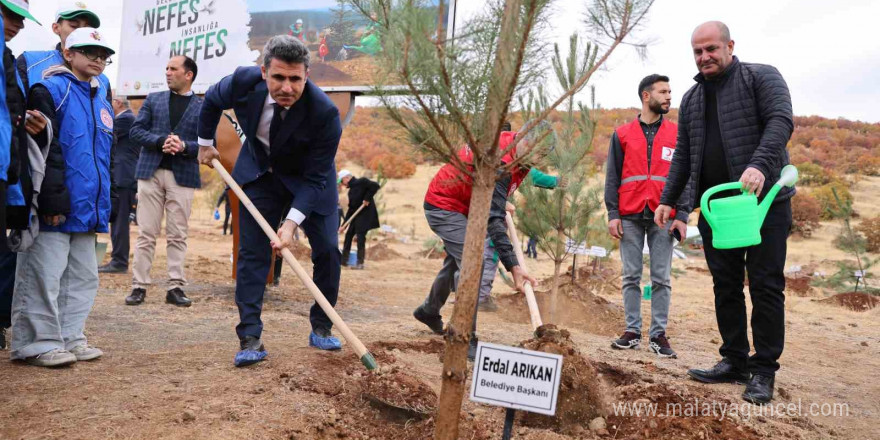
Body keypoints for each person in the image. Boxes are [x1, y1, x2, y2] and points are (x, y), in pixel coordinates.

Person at [655, 21, 794, 404]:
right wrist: (670, 199)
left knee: (766, 286)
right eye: (698, 52)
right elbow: (684, 154)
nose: (705, 57)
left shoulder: (761, 78)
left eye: (711, 49)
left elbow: (781, 122)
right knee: (726, 286)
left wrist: (760, 164)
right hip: (718, 211)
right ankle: (734, 360)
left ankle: (763, 370)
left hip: (764, 205)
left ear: (729, 45)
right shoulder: (693, 99)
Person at [197, 35, 344, 367]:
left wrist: (291, 225)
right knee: (252, 253)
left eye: (296, 79)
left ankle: (321, 325)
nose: (287, 87)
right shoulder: (242, 81)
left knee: (327, 251)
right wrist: (205, 143)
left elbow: (316, 178)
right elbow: (210, 102)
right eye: (279, 77)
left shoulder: (324, 113)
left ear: (306, 76)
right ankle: (250, 336)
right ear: (264, 72)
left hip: (309, 181)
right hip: (262, 174)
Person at [11, 27, 117, 367]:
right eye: (89, 52)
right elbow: (47, 150)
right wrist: (53, 200)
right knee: (43, 274)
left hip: (88, 207)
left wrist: (106, 201)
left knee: (83, 276)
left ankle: (71, 336)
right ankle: (36, 343)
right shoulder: (49, 89)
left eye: (103, 55)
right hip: (54, 202)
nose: (98, 59)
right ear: (68, 54)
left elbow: (104, 155)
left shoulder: (101, 96)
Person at [414, 123, 547, 360]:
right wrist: (514, 266)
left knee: (457, 263)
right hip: (444, 204)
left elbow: (489, 189)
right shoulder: (502, 161)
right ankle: (463, 337)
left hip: (465, 206)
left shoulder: (518, 150)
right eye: (538, 155)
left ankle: (428, 311)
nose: (539, 161)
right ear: (526, 142)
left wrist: (498, 200)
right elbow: (494, 222)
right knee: (473, 263)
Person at [605, 74, 689, 359]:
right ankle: (631, 332)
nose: (668, 97)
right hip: (628, 214)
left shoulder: (679, 134)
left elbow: (687, 178)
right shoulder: (622, 134)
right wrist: (612, 213)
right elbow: (612, 176)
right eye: (663, 92)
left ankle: (658, 335)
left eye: (670, 91)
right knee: (630, 276)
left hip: (664, 216)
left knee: (661, 278)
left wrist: (684, 215)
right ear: (646, 96)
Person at [124, 56, 203, 308]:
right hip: (150, 172)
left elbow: (206, 144)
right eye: (166, 68)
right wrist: (161, 141)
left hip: (184, 175)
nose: (167, 73)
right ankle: (139, 286)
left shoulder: (202, 107)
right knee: (146, 233)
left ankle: (175, 287)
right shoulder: (153, 99)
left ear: (188, 74)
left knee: (178, 234)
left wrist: (183, 146)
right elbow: (136, 131)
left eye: (173, 69)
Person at [99, 95, 137, 273]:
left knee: (120, 221)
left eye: (111, 101)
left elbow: (103, 134)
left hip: (124, 177)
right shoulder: (126, 119)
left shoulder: (126, 119)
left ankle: (120, 261)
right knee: (117, 220)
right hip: (122, 177)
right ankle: (118, 259)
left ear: (118, 103)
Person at [338, 169, 380, 270]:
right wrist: (344, 225)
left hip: (365, 216)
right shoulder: (351, 192)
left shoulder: (362, 181)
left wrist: (367, 198)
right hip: (356, 217)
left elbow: (376, 186)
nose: (342, 184)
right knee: (348, 236)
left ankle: (360, 263)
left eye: (341, 181)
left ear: (346, 178)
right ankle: (343, 261)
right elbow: (351, 210)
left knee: (360, 239)